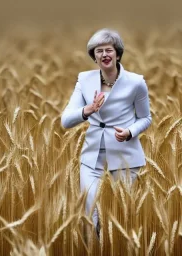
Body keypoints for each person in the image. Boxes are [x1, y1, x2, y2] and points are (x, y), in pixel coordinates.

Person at [61, 28, 152, 236]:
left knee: (119, 216)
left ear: (117, 54)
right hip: (91, 158)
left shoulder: (136, 82)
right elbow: (65, 121)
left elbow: (146, 118)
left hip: (125, 157)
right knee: (90, 214)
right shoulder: (84, 80)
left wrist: (129, 131)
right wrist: (88, 110)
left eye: (108, 50)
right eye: (99, 51)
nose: (104, 54)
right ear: (94, 57)